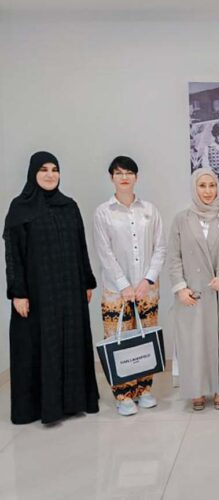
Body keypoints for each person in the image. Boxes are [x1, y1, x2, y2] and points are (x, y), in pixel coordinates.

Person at [3, 151, 99, 424]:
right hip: (38, 293)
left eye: (55, 169)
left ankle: (73, 402)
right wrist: (17, 292)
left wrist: (87, 281)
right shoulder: (19, 208)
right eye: (43, 169)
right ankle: (43, 407)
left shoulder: (69, 206)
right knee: (41, 344)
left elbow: (81, 246)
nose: (50, 175)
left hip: (69, 290)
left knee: (71, 342)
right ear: (33, 173)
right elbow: (13, 254)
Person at [94, 156, 166, 417]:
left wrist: (147, 280)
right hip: (116, 293)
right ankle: (123, 395)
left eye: (129, 173)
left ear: (136, 177)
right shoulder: (104, 212)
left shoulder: (149, 210)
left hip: (147, 290)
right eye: (118, 173)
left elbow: (160, 248)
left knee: (145, 340)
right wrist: (124, 285)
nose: (124, 177)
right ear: (111, 177)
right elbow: (105, 253)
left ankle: (145, 390)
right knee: (119, 340)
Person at [167, 167, 219, 411]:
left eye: (212, 186)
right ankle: (196, 390)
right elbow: (174, 256)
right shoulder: (181, 219)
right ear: (194, 188)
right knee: (194, 342)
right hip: (194, 292)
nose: (208, 191)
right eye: (203, 186)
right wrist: (180, 288)